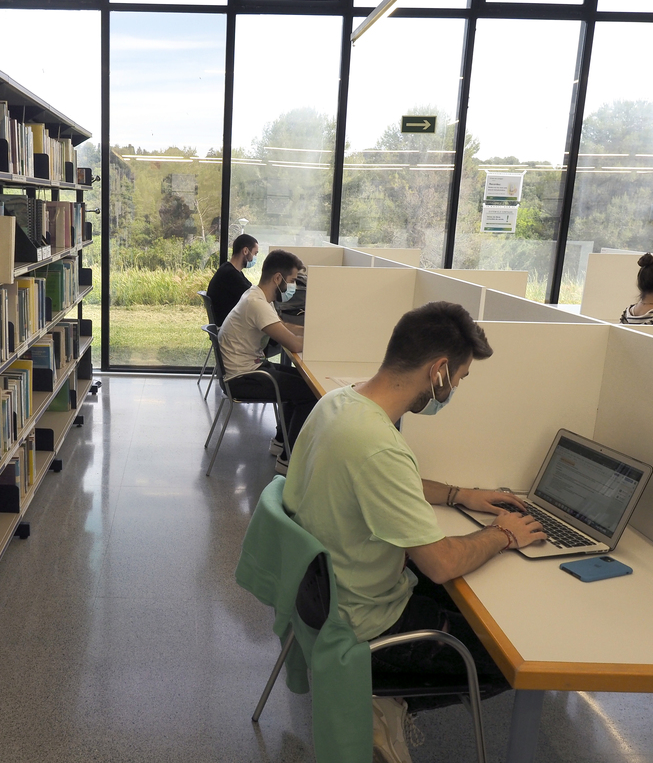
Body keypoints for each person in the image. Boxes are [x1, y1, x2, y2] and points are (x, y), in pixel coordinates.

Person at [281, 302, 547, 758]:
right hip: (364, 623)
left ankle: (385, 702)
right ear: (438, 371)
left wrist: (459, 494)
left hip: (322, 596)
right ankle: (386, 700)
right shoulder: (380, 446)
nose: (454, 390)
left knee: (469, 605)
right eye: (459, 378)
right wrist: (504, 534)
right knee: (515, 657)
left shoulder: (338, 404)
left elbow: (380, 478)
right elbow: (441, 563)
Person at [218, 249, 317, 474]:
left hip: (250, 368)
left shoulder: (257, 295)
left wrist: (311, 330)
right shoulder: (257, 304)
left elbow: (283, 326)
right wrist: (319, 340)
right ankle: (287, 458)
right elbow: (293, 344)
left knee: (301, 381)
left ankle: (281, 441)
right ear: (278, 278)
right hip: (243, 378)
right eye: (292, 280)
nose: (293, 286)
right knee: (309, 392)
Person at [206, 234, 258, 327]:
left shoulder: (230, 270)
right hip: (231, 328)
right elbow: (253, 296)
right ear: (245, 251)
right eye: (255, 253)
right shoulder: (230, 274)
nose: (255, 257)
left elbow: (251, 290)